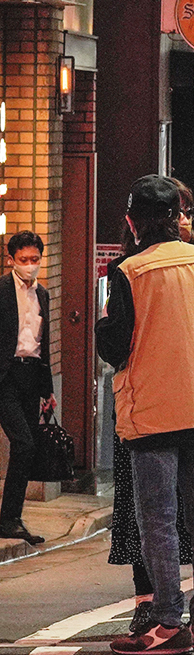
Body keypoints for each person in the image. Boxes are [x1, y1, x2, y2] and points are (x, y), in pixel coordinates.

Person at [97, 175, 194, 655]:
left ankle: (166, 623)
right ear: (178, 217)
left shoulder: (128, 271)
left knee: (158, 519)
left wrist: (101, 326)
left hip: (154, 410)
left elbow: (115, 347)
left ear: (134, 221)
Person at [0, 232, 53, 545]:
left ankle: (12, 517)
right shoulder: (3, 290)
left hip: (32, 376)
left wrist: (48, 391)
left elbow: (43, 344)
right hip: (5, 376)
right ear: (11, 260)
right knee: (23, 443)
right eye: (24, 260)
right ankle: (9, 519)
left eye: (35, 260)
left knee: (28, 445)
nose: (30, 266)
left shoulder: (42, 293)